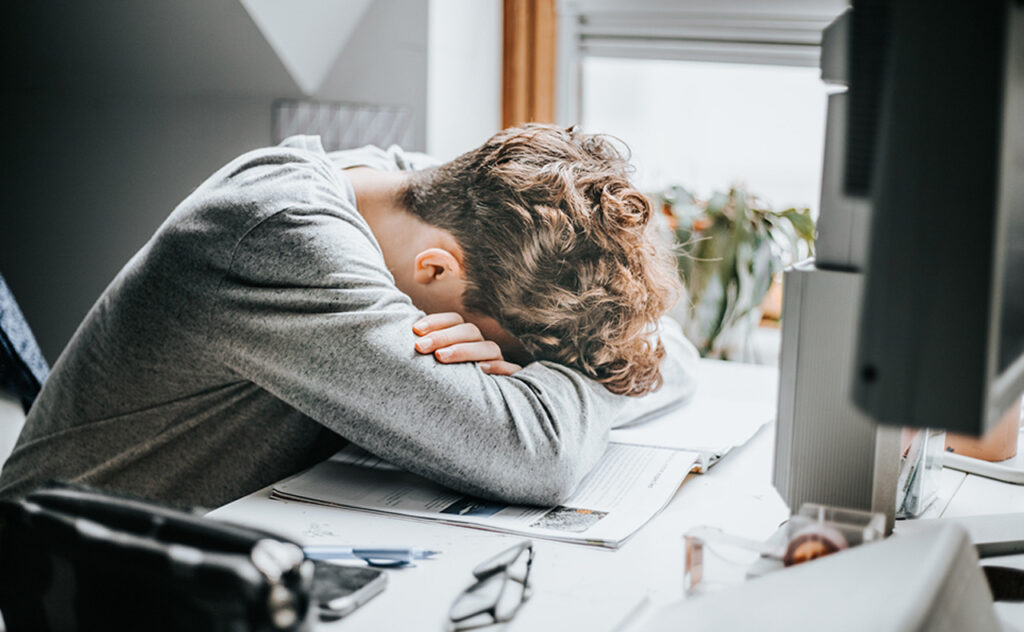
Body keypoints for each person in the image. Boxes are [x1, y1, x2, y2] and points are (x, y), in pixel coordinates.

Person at [0, 124, 695, 508]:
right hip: (71, 581)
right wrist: (567, 386)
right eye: (506, 349)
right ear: (436, 272)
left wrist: (546, 367)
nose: (511, 367)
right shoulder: (278, 237)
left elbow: (671, 354)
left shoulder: (426, 199)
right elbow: (534, 454)